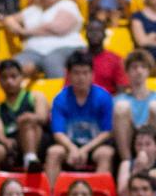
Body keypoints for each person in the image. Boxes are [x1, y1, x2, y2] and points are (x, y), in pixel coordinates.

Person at [45, 51, 115, 188]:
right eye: (76, 73)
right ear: (69, 75)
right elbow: (58, 132)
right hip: (68, 146)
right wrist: (72, 149)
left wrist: (84, 150)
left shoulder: (104, 97)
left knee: (106, 153)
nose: (81, 77)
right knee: (53, 152)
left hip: (95, 146)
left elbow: (107, 131)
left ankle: (98, 195)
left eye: (85, 73)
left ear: (92, 75)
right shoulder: (60, 99)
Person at [4, 0, 86, 78]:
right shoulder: (32, 10)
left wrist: (23, 32)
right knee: (11, 66)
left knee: (52, 61)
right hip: (33, 51)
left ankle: (60, 93)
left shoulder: (68, 5)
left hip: (65, 48)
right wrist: (14, 25)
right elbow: (9, 19)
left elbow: (57, 28)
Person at [114, 51, 156, 168]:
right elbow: (113, 132)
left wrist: (147, 128)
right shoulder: (117, 100)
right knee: (121, 107)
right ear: (127, 72)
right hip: (130, 142)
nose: (139, 71)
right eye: (134, 67)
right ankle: (127, 164)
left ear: (149, 71)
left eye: (143, 67)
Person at [0, 60, 50, 173]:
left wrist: (29, 117)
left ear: (22, 78)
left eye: (13, 76)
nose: (9, 81)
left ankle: (30, 159)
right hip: (12, 145)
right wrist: (5, 141)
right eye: (4, 78)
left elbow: (43, 117)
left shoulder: (35, 96)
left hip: (37, 142)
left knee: (27, 122)